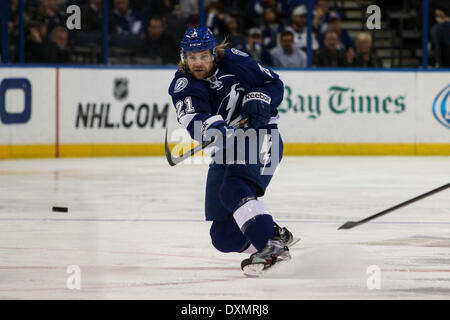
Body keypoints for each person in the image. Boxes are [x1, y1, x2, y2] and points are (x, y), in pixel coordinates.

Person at [168, 27, 298, 276]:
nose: (197, 62)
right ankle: (271, 233)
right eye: (192, 57)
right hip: (225, 150)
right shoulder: (183, 85)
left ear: (213, 53)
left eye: (203, 56)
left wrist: (261, 98)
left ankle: (272, 249)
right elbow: (193, 118)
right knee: (223, 236)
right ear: (184, 56)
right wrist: (213, 127)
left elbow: (273, 83)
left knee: (233, 189)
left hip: (262, 136)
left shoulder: (236, 61)